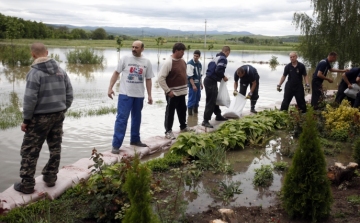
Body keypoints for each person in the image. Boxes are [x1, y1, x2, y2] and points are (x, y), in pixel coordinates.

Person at [14, 42, 73, 194]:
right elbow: (70, 94)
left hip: (39, 117)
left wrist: (26, 120)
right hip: (58, 114)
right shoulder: (61, 70)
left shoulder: (34, 73)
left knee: (30, 150)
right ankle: (51, 177)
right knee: (55, 146)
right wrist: (62, 108)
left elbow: (30, 99)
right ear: (47, 53)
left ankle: (27, 184)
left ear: (33, 55)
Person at [108, 40, 154, 154]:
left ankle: (135, 140)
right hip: (125, 94)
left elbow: (148, 79)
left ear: (142, 49)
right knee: (121, 119)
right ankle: (116, 145)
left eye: (136, 47)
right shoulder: (125, 59)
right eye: (132, 47)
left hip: (139, 95)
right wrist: (110, 88)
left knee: (137, 118)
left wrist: (149, 95)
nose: (134, 49)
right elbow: (116, 73)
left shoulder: (146, 62)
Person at [158, 42, 192, 139]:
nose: (183, 53)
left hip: (182, 92)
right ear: (176, 51)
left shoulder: (182, 60)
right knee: (170, 112)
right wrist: (168, 91)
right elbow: (161, 78)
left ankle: (183, 126)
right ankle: (168, 131)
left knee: (182, 110)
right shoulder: (169, 62)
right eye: (182, 52)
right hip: (172, 93)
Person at [202, 46, 230, 128]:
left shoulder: (216, 57)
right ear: (227, 52)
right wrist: (223, 77)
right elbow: (218, 70)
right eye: (228, 53)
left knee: (214, 99)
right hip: (211, 81)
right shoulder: (223, 59)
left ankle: (218, 115)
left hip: (208, 80)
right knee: (210, 101)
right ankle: (205, 120)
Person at [186, 50, 203, 115]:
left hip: (198, 84)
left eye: (197, 56)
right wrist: (193, 85)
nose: (195, 57)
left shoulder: (199, 64)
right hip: (192, 85)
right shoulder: (190, 64)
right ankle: (190, 115)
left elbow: (200, 75)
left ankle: (195, 112)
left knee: (197, 99)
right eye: (194, 55)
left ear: (199, 57)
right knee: (192, 99)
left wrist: (201, 84)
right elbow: (190, 76)